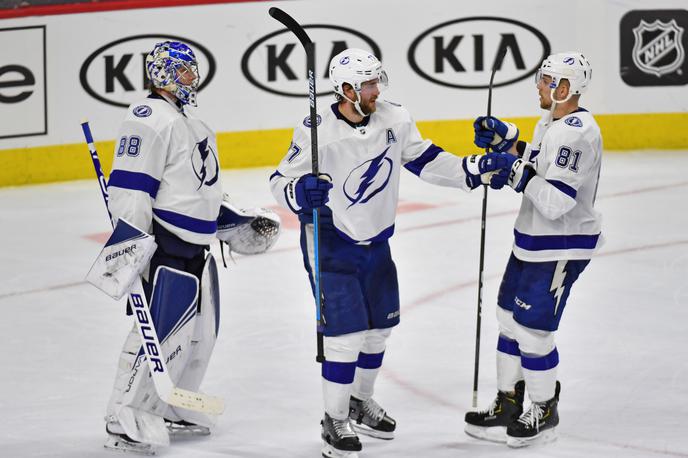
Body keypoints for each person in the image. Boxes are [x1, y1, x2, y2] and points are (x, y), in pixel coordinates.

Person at [269, 48, 503, 458]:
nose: (377, 90)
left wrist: (469, 169)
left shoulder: (395, 117)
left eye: (378, 82)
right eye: (368, 85)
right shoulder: (316, 129)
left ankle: (359, 401)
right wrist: (298, 192)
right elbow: (280, 180)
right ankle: (335, 419)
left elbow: (424, 159)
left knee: (379, 328)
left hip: (377, 240)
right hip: (329, 238)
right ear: (346, 89)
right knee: (344, 337)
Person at [99, 40, 279, 455]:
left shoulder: (193, 125)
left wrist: (232, 221)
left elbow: (198, 191)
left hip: (199, 248)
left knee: (200, 335)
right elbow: (131, 189)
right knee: (159, 334)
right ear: (162, 73)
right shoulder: (148, 119)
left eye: (192, 71)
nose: (192, 79)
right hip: (164, 247)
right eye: (184, 71)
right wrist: (132, 250)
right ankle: (122, 415)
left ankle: (169, 403)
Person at [463, 52, 603, 448]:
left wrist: (511, 171)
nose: (538, 87)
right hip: (532, 239)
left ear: (564, 88)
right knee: (508, 318)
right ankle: (509, 402)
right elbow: (538, 162)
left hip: (560, 246)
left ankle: (544, 408)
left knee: (534, 331)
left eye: (546, 81)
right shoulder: (553, 122)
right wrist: (508, 142)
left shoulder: (575, 133)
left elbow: (557, 201)